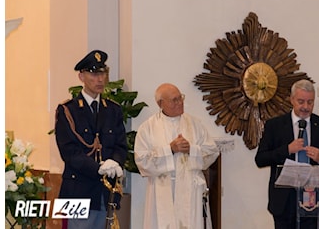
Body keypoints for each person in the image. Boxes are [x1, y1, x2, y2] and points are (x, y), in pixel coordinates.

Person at [255, 79, 319, 229]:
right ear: (292, 99)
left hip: (313, 199)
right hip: (283, 200)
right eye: (301, 101)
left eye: (310, 102)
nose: (305, 107)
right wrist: (287, 150)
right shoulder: (274, 125)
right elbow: (260, 159)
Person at [55, 50, 127, 229]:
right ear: (81, 76)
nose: (100, 79)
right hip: (77, 190)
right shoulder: (67, 110)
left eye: (103, 73)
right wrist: (99, 168)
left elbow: (120, 145)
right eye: (94, 74)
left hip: (105, 193)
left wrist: (115, 163)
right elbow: (69, 152)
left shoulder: (113, 110)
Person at [134, 83, 220, 229]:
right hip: (160, 191)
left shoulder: (194, 124)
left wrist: (191, 149)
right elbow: (141, 161)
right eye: (174, 100)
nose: (180, 103)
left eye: (181, 98)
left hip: (190, 189)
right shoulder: (147, 128)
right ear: (161, 103)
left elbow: (212, 151)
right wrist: (170, 150)